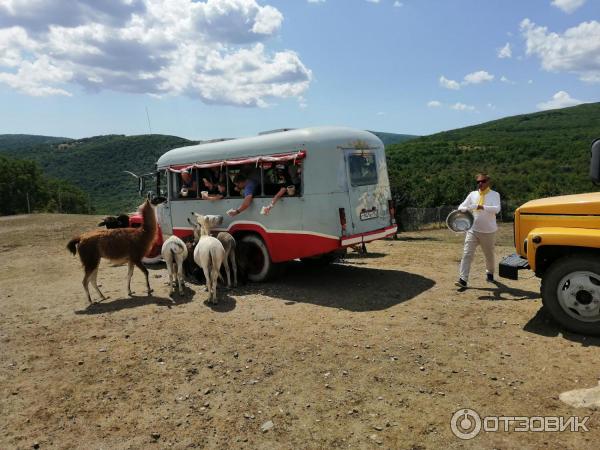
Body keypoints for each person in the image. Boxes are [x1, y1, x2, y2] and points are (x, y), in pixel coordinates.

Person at [455, 173, 501, 288]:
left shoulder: (495, 194)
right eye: (478, 182)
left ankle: (489, 273)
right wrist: (465, 208)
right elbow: (461, 206)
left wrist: (481, 207)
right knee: (467, 254)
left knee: (489, 255)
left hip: (489, 231)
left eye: (483, 181)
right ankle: (463, 279)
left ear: (488, 182)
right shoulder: (472, 194)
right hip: (473, 230)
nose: (480, 183)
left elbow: (497, 209)